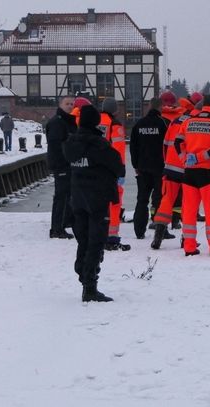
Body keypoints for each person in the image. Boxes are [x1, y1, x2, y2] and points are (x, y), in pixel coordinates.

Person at [63, 104, 125, 302]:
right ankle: (90, 286)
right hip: (97, 198)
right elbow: (118, 167)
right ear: (96, 122)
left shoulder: (71, 144)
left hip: (77, 197)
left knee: (83, 239)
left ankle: (82, 271)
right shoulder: (99, 145)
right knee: (96, 241)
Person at [175, 93, 210, 257]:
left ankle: (189, 247)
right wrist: (202, 157)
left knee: (189, 211)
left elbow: (177, 142)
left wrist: (185, 159)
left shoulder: (188, 121)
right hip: (208, 173)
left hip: (189, 172)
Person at [151, 92, 203, 250]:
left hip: (170, 167)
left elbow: (165, 144)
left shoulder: (176, 121)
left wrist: (167, 163)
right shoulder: (196, 122)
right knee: (188, 203)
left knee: (166, 200)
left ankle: (158, 236)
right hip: (187, 167)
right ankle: (186, 239)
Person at [129, 97, 169, 239]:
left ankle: (139, 231)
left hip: (142, 168)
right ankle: (160, 231)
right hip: (160, 168)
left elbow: (133, 147)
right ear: (161, 108)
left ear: (149, 106)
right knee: (159, 199)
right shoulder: (164, 124)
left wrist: (135, 165)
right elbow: (169, 146)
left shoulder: (139, 124)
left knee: (142, 200)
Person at [99, 97, 130, 251]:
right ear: (115, 110)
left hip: (97, 168)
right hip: (112, 169)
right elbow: (118, 149)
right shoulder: (115, 125)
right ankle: (112, 237)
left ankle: (99, 234)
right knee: (115, 203)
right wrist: (121, 170)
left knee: (99, 203)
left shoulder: (96, 122)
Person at [46, 95, 77, 239]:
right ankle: (57, 228)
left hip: (69, 164)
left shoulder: (69, 122)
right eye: (67, 103)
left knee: (67, 195)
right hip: (62, 165)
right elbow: (56, 146)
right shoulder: (57, 123)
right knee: (61, 196)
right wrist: (62, 162)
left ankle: (65, 223)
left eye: (72, 104)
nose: (70, 106)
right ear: (60, 105)